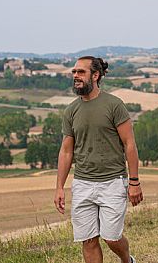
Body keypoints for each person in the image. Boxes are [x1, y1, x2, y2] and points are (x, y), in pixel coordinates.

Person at [54, 56, 143, 263]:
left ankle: (127, 260)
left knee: (111, 237)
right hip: (82, 183)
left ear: (95, 75)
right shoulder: (71, 111)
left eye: (81, 72)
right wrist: (59, 186)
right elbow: (66, 151)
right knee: (88, 240)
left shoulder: (114, 105)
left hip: (112, 182)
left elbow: (129, 144)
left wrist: (134, 182)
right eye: (74, 72)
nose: (75, 76)